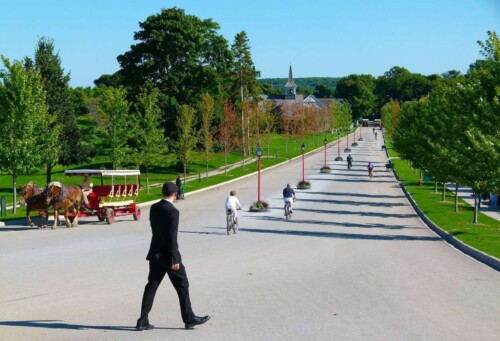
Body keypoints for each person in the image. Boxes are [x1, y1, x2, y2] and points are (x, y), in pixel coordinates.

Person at [136, 182, 209, 331]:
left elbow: (156, 230)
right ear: (175, 194)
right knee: (183, 285)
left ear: (162, 193)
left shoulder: (154, 208)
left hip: (155, 253)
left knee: (152, 285)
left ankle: (142, 320)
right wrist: (174, 259)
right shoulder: (173, 212)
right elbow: (172, 236)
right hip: (169, 257)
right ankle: (189, 319)